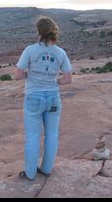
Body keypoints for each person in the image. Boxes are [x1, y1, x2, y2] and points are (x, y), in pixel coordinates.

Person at [14, 16, 72, 180]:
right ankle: (46, 169)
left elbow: (18, 75)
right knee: (52, 134)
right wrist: (54, 81)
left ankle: (30, 173)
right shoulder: (60, 52)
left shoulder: (30, 50)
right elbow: (68, 79)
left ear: (39, 32)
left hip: (34, 97)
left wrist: (30, 75)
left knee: (32, 136)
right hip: (53, 98)